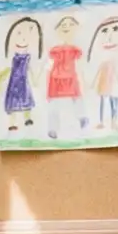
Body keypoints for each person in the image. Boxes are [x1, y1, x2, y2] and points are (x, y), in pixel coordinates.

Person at [45, 11, 86, 140]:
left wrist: (85, 79)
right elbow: (48, 64)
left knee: (77, 98)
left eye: (70, 25)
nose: (67, 27)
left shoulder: (75, 50)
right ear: (57, 30)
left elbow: (80, 66)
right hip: (56, 79)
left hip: (70, 78)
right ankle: (52, 129)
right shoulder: (55, 50)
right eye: (63, 25)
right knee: (54, 105)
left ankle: (82, 118)